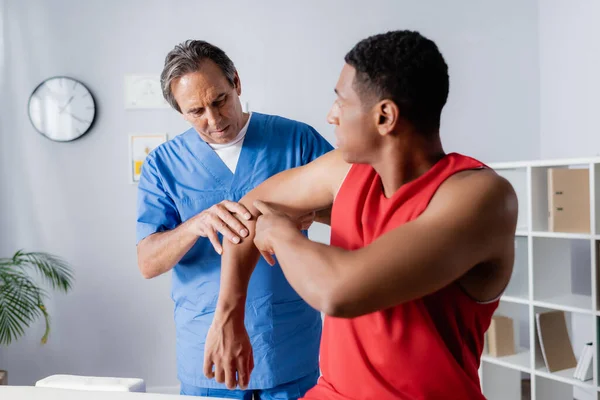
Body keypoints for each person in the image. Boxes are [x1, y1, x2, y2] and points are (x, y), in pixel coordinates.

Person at [212, 30, 518, 399]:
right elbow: (244, 213)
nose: (331, 116)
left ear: (385, 116)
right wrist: (229, 315)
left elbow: (338, 291)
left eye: (341, 101)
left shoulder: (480, 197)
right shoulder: (343, 172)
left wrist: (277, 231)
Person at [135, 40, 333, 398]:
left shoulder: (296, 140)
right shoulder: (162, 165)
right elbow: (148, 262)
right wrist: (193, 226)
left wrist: (309, 212)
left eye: (220, 100)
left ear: (236, 83)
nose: (213, 120)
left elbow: (357, 205)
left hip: (286, 342)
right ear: (180, 111)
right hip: (208, 348)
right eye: (196, 111)